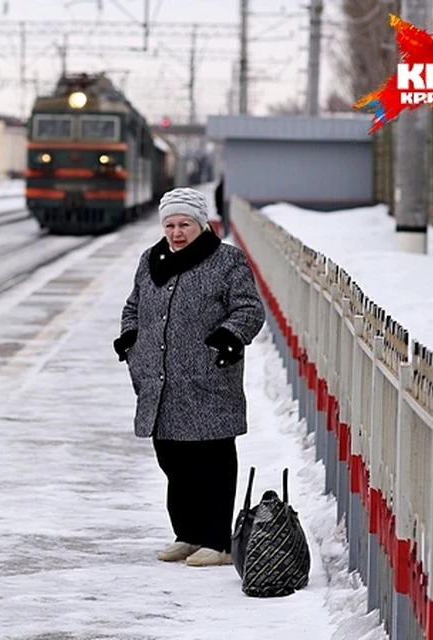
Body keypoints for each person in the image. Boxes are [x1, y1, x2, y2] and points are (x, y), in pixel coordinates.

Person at [112, 187, 265, 567]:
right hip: (159, 380)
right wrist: (130, 336)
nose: (176, 233)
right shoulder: (152, 260)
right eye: (170, 225)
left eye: (184, 224)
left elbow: (249, 308)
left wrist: (228, 338)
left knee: (211, 461)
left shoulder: (226, 260)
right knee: (173, 460)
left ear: (201, 224)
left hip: (207, 378)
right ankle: (189, 534)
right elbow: (133, 305)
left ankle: (218, 542)